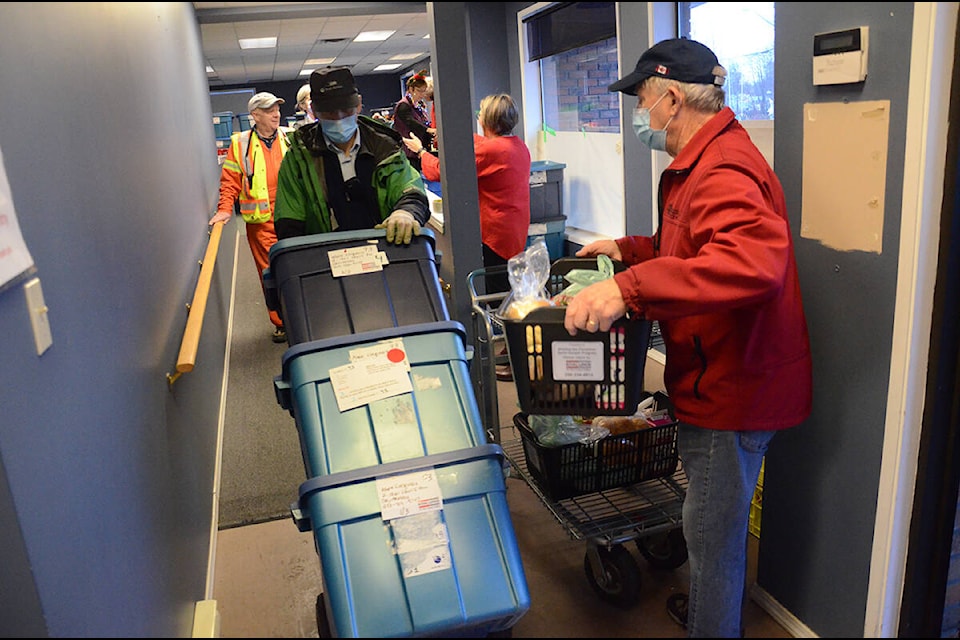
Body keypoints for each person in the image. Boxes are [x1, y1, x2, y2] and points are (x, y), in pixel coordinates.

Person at [562, 38, 812, 637]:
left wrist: (628, 289)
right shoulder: (700, 163)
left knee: (712, 544)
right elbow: (692, 253)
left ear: (671, 97)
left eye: (642, 100)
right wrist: (627, 251)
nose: (639, 116)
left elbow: (751, 263)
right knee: (708, 528)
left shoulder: (723, 168)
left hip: (733, 393)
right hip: (714, 378)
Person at [403, 93, 531, 382]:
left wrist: (421, 151)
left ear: (487, 119)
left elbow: (440, 172)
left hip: (494, 235)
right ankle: (512, 352)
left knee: (496, 299)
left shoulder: (492, 151)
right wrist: (446, 135)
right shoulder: (516, 145)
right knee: (508, 294)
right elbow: (479, 146)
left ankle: (513, 360)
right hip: (512, 232)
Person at [274, 66, 429, 246]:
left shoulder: (385, 148)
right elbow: (288, 221)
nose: (339, 119)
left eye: (346, 110)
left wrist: (406, 212)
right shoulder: (299, 159)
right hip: (326, 257)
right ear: (314, 111)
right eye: (329, 113)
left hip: (386, 252)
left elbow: (410, 188)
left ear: (358, 104)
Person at [210, 91, 293, 343]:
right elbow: (230, 180)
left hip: (292, 214)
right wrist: (225, 208)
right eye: (269, 110)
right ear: (255, 115)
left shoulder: (290, 136)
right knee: (270, 273)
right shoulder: (241, 143)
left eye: (277, 108)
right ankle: (280, 322)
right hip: (261, 220)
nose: (276, 114)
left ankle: (302, 315)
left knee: (296, 267)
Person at [392, 70, 434, 171]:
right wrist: (428, 130)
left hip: (418, 151)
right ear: (411, 89)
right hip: (408, 152)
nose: (422, 94)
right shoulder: (403, 105)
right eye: (419, 91)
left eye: (424, 91)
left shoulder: (418, 106)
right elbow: (411, 122)